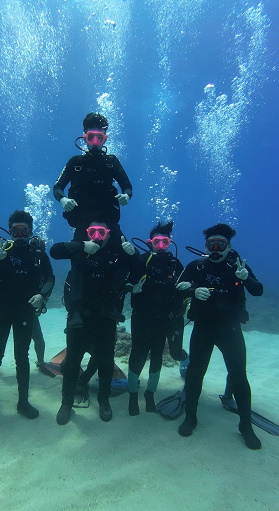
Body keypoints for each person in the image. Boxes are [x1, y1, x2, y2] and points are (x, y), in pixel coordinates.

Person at [175, 223, 264, 450]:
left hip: (230, 330)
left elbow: (258, 290)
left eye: (220, 244)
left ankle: (245, 425)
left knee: (239, 376)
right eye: (211, 244)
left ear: (229, 246)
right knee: (195, 373)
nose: (215, 248)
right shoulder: (197, 266)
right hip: (203, 329)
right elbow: (176, 288)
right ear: (206, 246)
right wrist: (192, 291)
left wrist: (246, 278)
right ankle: (191, 417)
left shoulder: (238, 266)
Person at [50, 219, 141, 424]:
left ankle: (103, 400)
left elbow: (140, 268)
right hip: (78, 318)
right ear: (87, 233)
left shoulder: (117, 254)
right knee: (72, 362)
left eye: (102, 232)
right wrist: (80, 245)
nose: (97, 237)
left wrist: (133, 253)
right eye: (93, 232)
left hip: (106, 319)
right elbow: (55, 251)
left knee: (106, 362)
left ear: (109, 234)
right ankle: (66, 403)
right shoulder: (81, 251)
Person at [0, 211, 55, 423]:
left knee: (22, 357)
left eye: (23, 231)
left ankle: (23, 402)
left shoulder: (37, 254)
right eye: (15, 230)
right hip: (2, 311)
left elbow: (50, 277)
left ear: (30, 232)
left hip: (25, 312)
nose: (19, 235)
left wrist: (42, 295)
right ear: (9, 231)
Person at [53, 112, 134, 328]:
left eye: (100, 137)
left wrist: (126, 195)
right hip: (82, 224)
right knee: (78, 262)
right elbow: (58, 187)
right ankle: (75, 311)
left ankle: (111, 304)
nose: (96, 142)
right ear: (84, 138)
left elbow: (127, 185)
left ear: (105, 139)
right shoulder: (75, 162)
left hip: (109, 225)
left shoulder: (111, 162)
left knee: (125, 257)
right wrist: (62, 199)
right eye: (91, 137)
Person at [127, 221, 185, 416]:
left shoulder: (175, 264)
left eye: (165, 242)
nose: (161, 246)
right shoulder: (142, 261)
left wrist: (187, 298)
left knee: (157, 354)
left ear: (170, 243)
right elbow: (127, 281)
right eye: (156, 242)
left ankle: (150, 393)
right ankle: (133, 394)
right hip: (141, 317)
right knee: (137, 353)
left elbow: (186, 287)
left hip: (164, 318)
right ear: (149, 242)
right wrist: (132, 288)